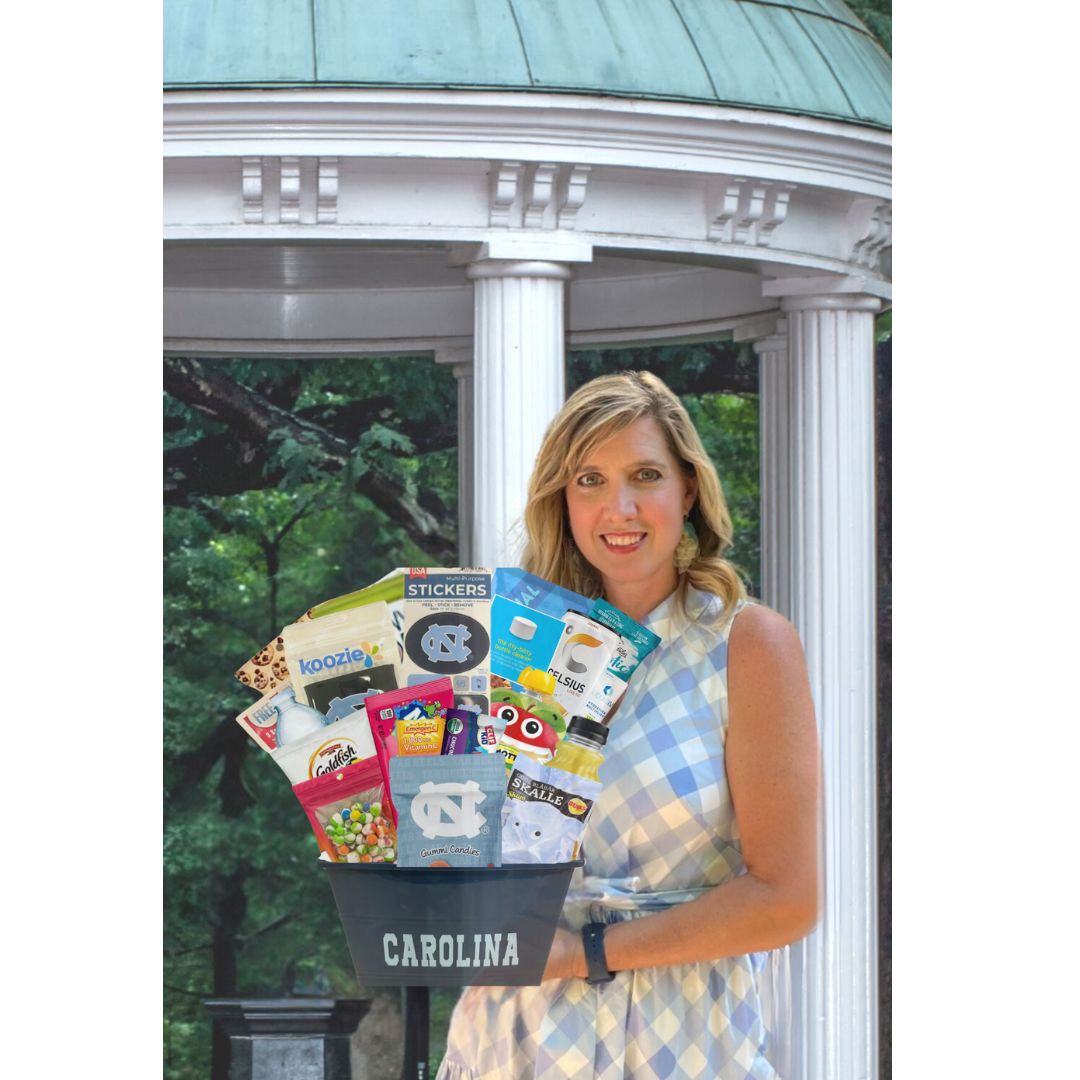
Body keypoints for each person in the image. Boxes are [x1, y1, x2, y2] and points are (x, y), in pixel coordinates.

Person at [438, 371, 819, 1080]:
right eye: (589, 480)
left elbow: (786, 900)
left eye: (645, 475)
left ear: (689, 490)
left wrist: (588, 952)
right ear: (563, 498)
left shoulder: (747, 644)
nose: (620, 507)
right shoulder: (506, 648)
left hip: (682, 1043)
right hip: (513, 1041)